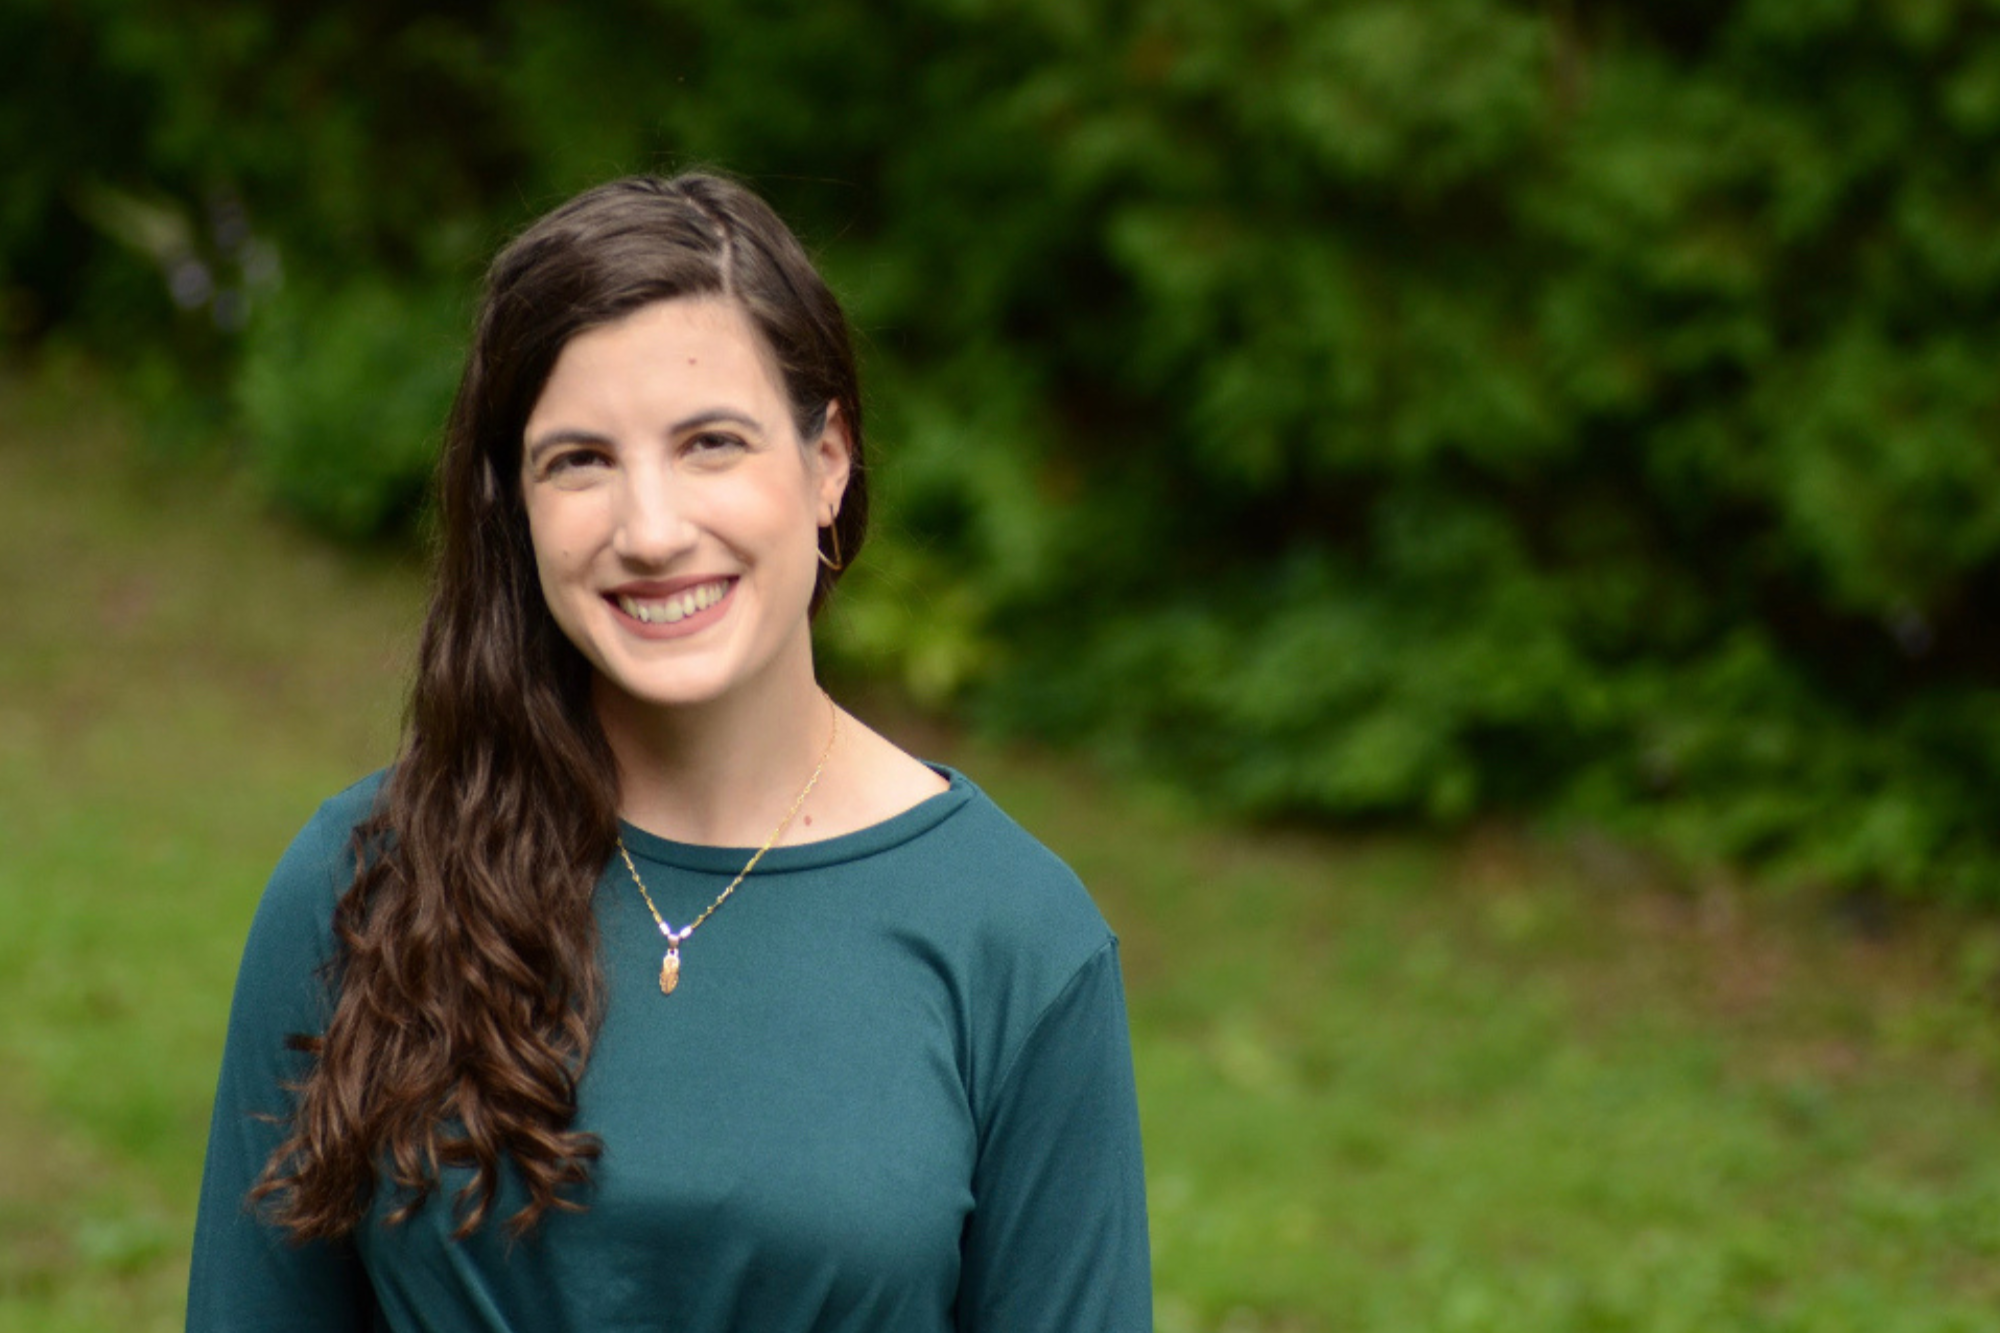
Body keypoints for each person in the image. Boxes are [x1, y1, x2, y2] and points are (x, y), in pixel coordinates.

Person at [186, 173, 1151, 1331]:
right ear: (516, 504)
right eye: (578, 460)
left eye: (710, 443)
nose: (649, 531)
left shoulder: (1013, 939)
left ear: (827, 460)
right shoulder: (362, 880)